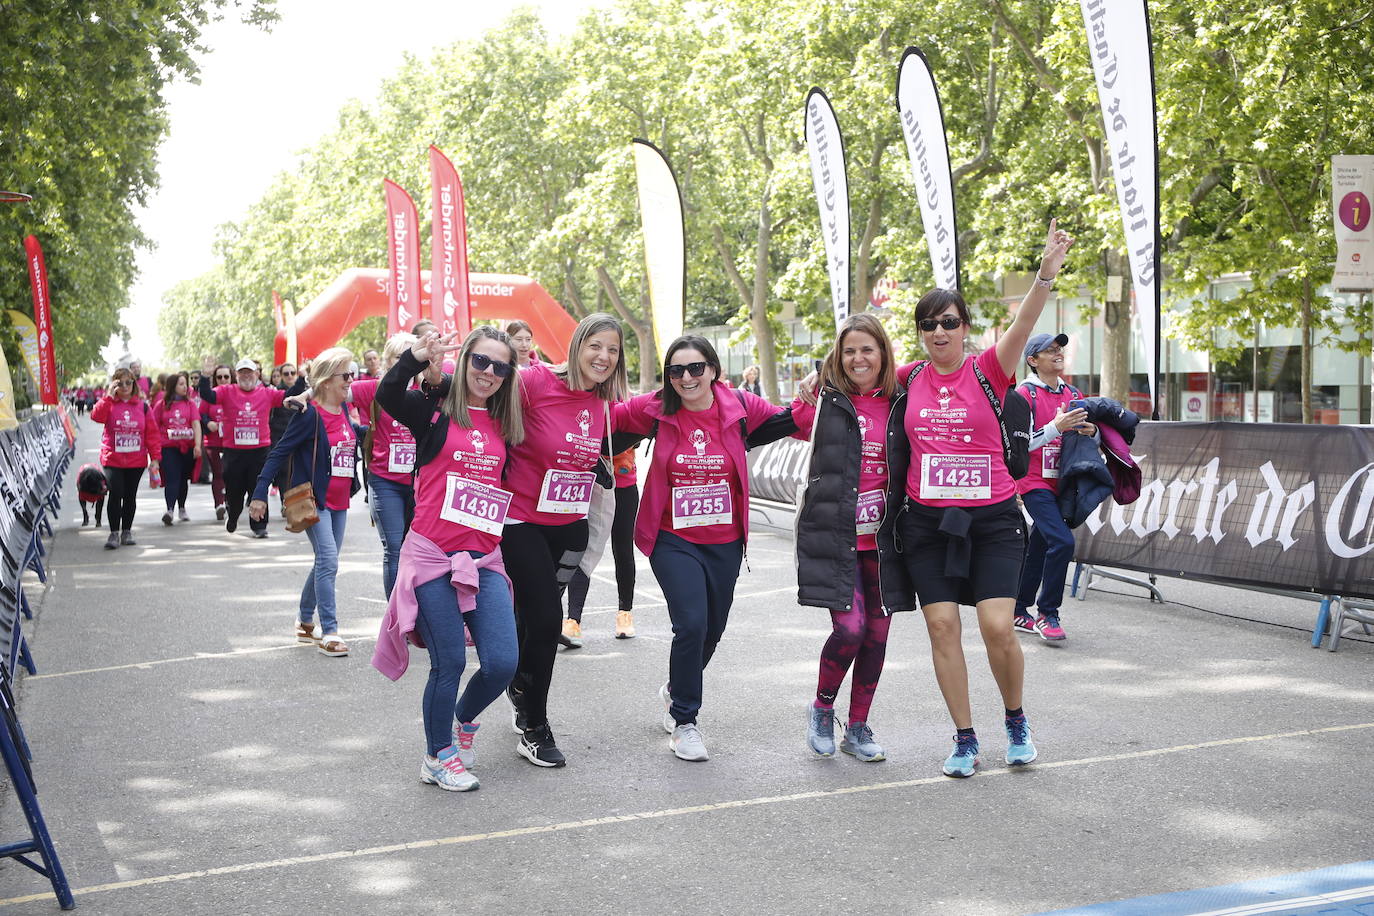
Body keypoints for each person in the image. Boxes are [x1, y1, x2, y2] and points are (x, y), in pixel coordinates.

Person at [894, 219, 1073, 778]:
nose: (938, 332)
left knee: (997, 626)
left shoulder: (990, 369)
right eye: (928, 325)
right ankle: (965, 738)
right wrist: (812, 385)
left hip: (993, 519)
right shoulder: (907, 377)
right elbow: (855, 373)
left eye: (948, 322)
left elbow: (1025, 321)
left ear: (966, 328)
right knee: (943, 626)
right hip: (928, 522)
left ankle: (1015, 720)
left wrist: (1046, 272)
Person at [611, 335, 795, 761]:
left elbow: (797, 419)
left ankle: (676, 687)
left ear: (713, 369)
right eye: (676, 371)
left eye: (695, 368)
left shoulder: (740, 405)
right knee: (691, 624)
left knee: (712, 630)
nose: (686, 378)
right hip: (672, 538)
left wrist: (818, 393)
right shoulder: (654, 407)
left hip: (726, 541)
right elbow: (597, 416)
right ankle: (685, 722)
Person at [372, 326, 523, 792]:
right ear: (466, 363)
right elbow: (388, 393)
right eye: (481, 361)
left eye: (500, 366)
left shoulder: (507, 423)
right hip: (433, 557)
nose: (489, 373)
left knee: (501, 662)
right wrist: (417, 359)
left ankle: (461, 720)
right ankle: (437, 756)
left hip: (483, 560)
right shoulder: (432, 412)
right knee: (450, 663)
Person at [501, 313, 627, 767]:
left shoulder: (601, 402)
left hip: (569, 527)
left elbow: (664, 405)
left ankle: (519, 685)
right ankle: (535, 725)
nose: (603, 356)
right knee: (547, 618)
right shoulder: (532, 382)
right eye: (596, 345)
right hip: (520, 521)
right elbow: (478, 404)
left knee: (532, 619)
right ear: (576, 346)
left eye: (612, 350)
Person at [790, 313, 910, 763]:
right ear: (838, 357)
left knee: (877, 636)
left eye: (868, 349)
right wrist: (812, 379)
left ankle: (857, 726)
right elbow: (786, 421)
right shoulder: (821, 402)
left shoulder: (901, 401)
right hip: (836, 539)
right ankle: (822, 707)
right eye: (849, 351)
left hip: (884, 543)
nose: (859, 359)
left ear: (883, 354)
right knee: (851, 628)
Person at [248, 348, 361, 656]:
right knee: (329, 560)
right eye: (346, 375)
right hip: (316, 501)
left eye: (352, 374)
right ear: (326, 382)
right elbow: (279, 452)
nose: (351, 380)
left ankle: (303, 619)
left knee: (326, 561)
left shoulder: (346, 412)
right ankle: (330, 630)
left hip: (341, 503)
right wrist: (260, 493)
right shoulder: (309, 416)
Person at [1014, 333, 1095, 643]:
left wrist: (1091, 431)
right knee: (1062, 542)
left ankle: (1019, 607)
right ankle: (1048, 614)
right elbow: (1022, 446)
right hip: (1033, 483)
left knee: (1040, 544)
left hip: (1062, 482)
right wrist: (1054, 428)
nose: (1058, 353)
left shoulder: (1073, 393)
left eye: (1060, 349)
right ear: (1033, 360)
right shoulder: (1024, 394)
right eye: (1049, 350)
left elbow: (1088, 437)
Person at [348, 333, 429, 597]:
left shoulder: (428, 390)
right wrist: (305, 396)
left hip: (422, 484)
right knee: (394, 547)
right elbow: (330, 394)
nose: (409, 361)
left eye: (413, 354)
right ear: (388, 360)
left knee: (419, 549)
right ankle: (398, 619)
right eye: (400, 356)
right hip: (386, 482)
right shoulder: (373, 388)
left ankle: (419, 610)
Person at [199, 356, 298, 537]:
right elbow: (208, 396)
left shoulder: (267, 393)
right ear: (236, 375)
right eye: (242, 373)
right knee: (234, 491)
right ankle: (234, 515)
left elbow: (289, 396)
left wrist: (302, 378)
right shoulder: (226, 391)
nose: (246, 376)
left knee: (258, 489)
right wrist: (205, 376)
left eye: (249, 372)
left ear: (257, 374)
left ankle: (259, 526)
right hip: (233, 452)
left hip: (259, 451)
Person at [562, 445, 639, 645]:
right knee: (582, 548)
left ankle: (625, 613)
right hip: (589, 483)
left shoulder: (622, 413)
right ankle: (573, 621)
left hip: (623, 484)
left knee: (622, 549)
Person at [91, 367, 161, 549]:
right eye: (119, 383)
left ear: (134, 384)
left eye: (128, 382)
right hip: (112, 459)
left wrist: (155, 458)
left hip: (136, 461)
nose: (124, 386)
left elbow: (152, 434)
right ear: (114, 384)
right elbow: (96, 417)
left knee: (130, 496)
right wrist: (107, 396)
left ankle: (126, 531)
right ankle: (114, 533)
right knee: (116, 494)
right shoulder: (109, 404)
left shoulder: (143, 407)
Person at [153, 371, 202, 524]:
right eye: (181, 384)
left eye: (185, 384)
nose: (185, 387)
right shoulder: (161, 405)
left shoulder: (191, 404)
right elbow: (153, 425)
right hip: (168, 447)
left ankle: (182, 508)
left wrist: (198, 445)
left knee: (183, 479)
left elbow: (196, 424)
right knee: (172, 477)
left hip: (187, 447)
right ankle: (169, 509)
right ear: (172, 386)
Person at [202, 364, 231, 519]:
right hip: (213, 441)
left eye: (226, 376)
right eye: (219, 377)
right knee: (218, 474)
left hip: (232, 442)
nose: (223, 380)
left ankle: (230, 502)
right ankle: (219, 504)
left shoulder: (236, 394)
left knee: (231, 474)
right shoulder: (211, 395)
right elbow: (201, 414)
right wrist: (208, 423)